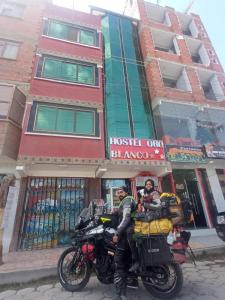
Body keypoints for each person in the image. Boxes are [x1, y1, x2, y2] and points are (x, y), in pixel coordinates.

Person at [112, 186, 137, 300]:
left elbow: (126, 218)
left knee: (118, 262)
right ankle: (131, 282)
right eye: (117, 192)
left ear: (126, 192)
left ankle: (119, 295)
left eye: (121, 191)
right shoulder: (125, 201)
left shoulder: (127, 200)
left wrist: (117, 233)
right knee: (125, 263)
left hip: (127, 236)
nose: (119, 193)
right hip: (129, 235)